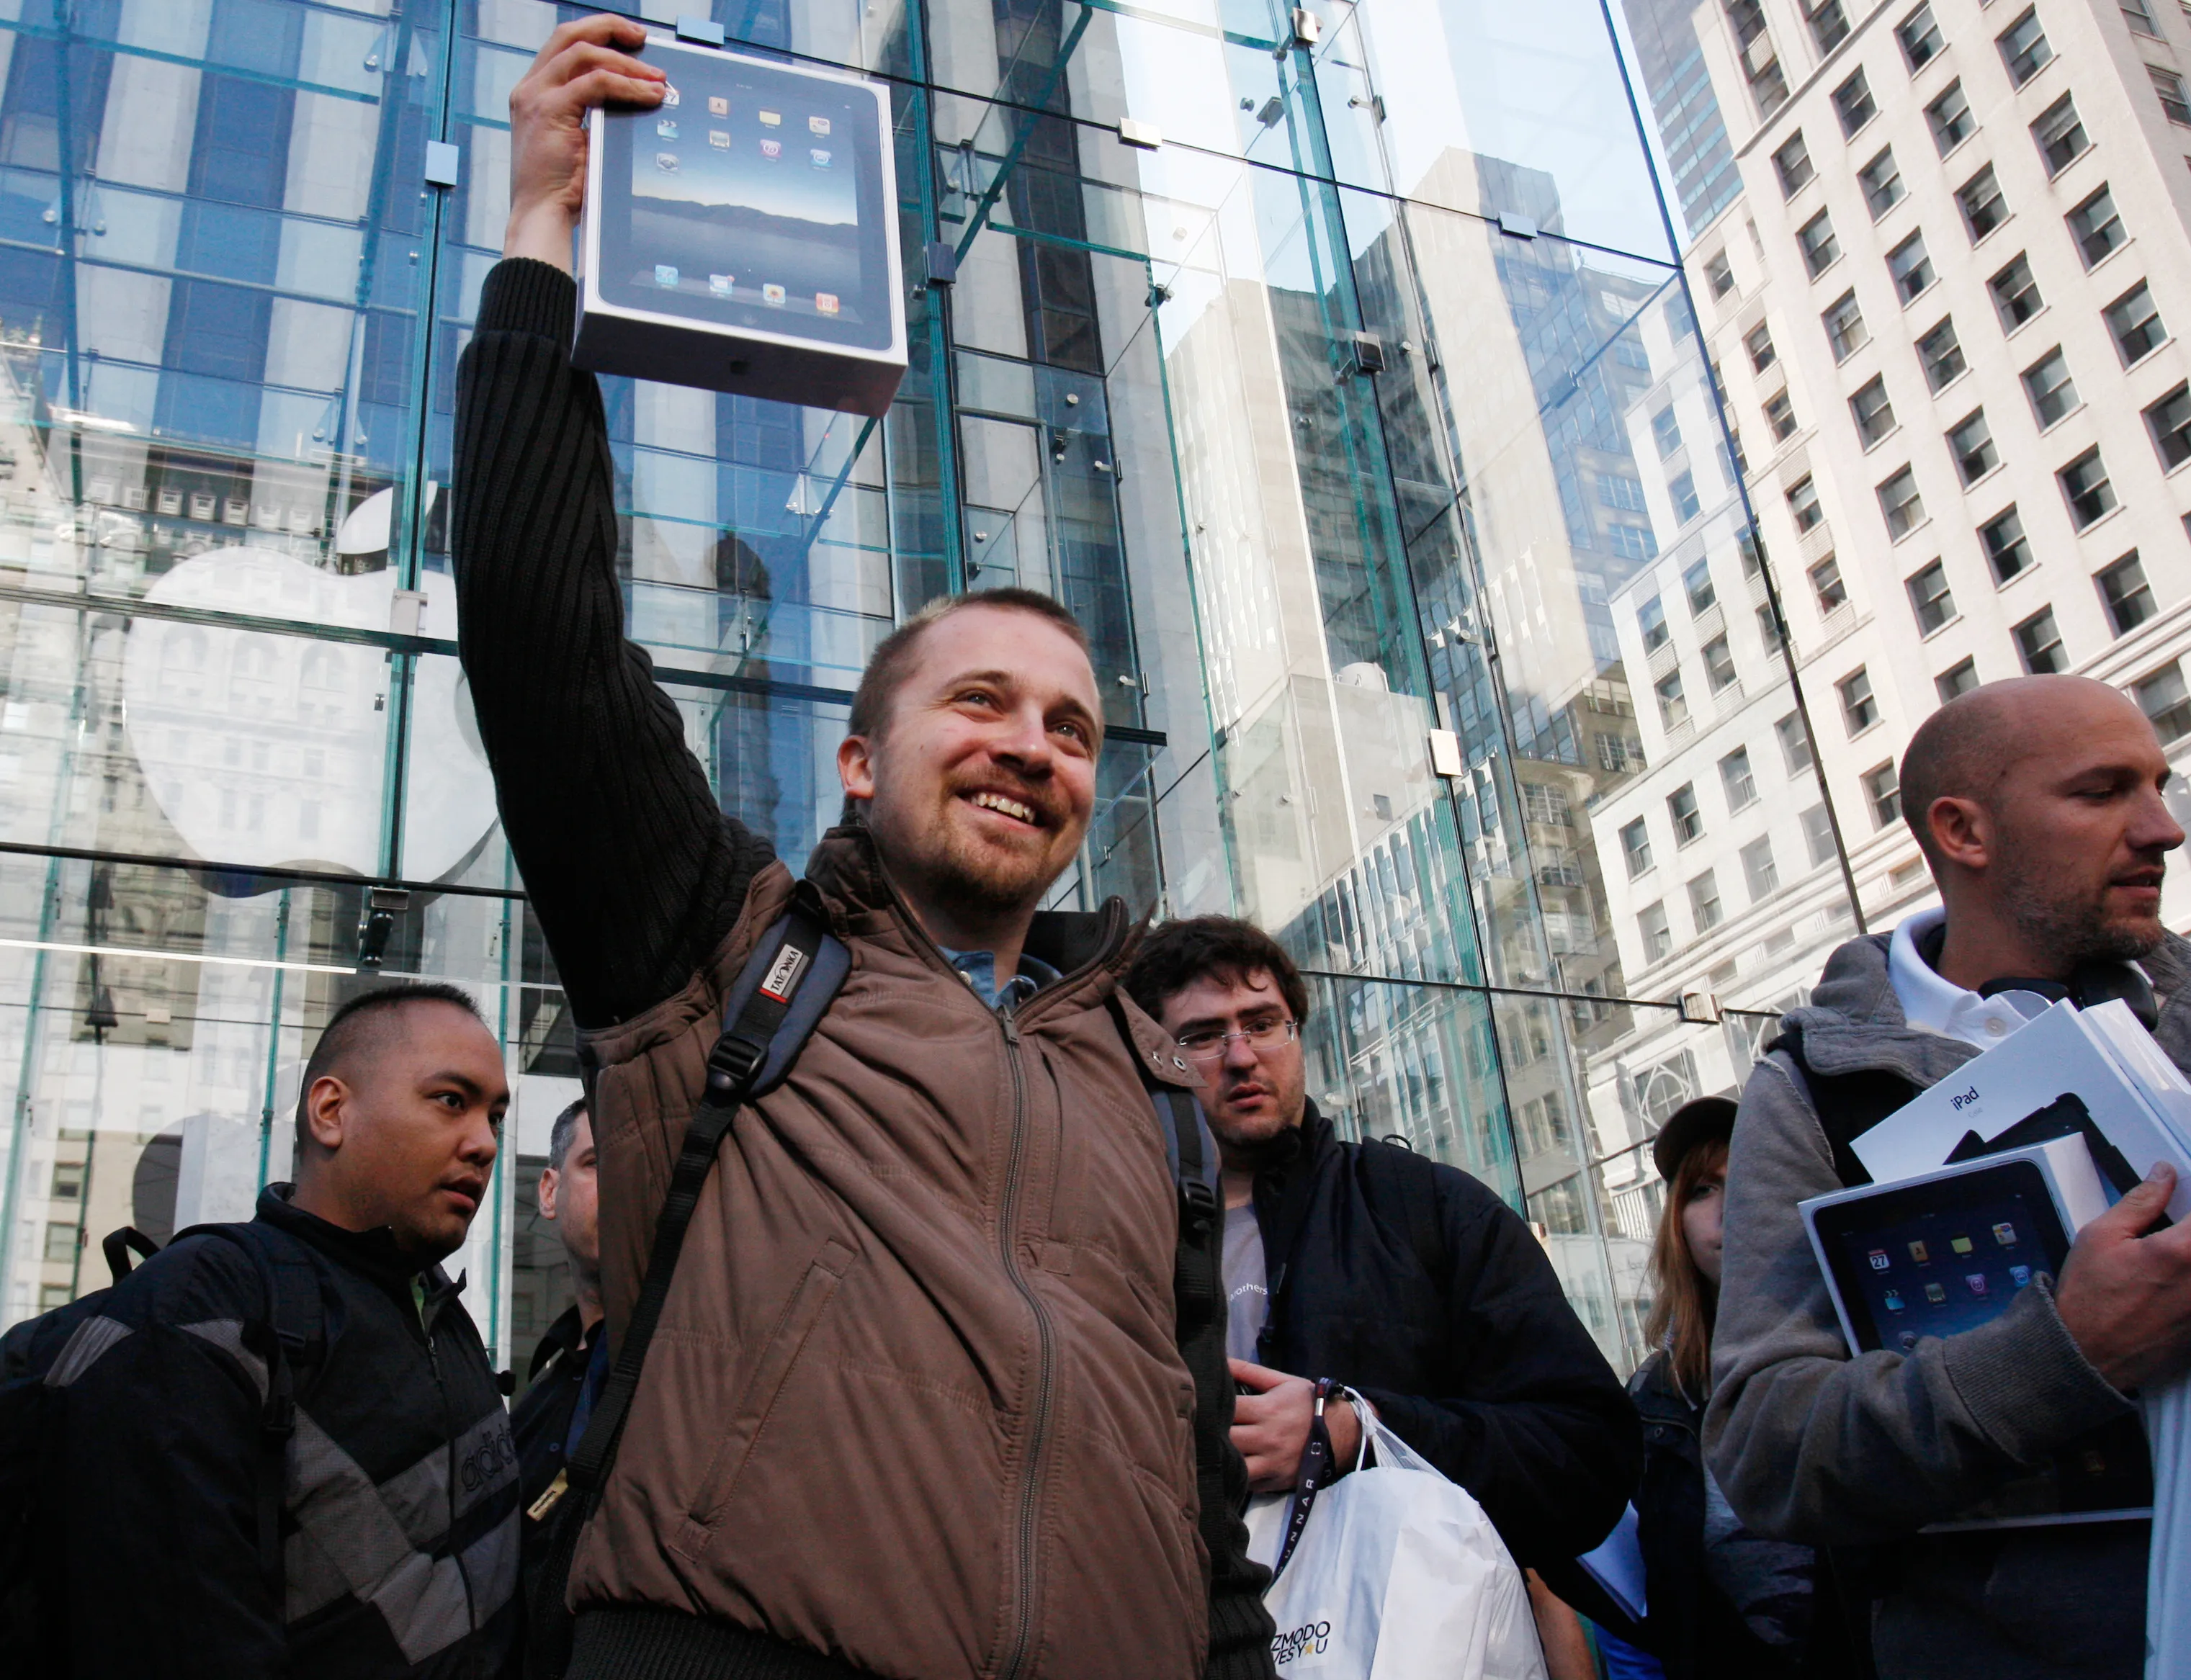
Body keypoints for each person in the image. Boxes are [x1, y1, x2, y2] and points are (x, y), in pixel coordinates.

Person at [452, 17, 1271, 1679]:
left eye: (1068, 728)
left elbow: (1197, 1489)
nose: (1030, 746)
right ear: (856, 759)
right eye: (980, 700)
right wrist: (541, 232)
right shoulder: (721, 943)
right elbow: (540, 626)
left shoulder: (1149, 1075)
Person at [1706, 675, 2191, 1679]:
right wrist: (2066, 1352)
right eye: (2103, 791)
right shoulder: (1818, 1092)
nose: (2163, 827)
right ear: (1963, 831)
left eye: (2160, 785)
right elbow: (1771, 1450)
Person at [1123, 916, 1639, 1579]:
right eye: (1201, 1036)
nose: (1242, 1054)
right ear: (1151, 1060)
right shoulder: (1104, 1239)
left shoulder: (1426, 1208)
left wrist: (1358, 1432)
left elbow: (1587, 1455)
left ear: (1297, 1035)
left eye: (1262, 1022)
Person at [38, 982, 519, 1677]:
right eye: (451, 1100)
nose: (484, 1144)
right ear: (331, 1111)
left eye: (495, 1117)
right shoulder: (201, 1306)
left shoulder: (445, 1317)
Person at [1614, 1096, 1826, 1679]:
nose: (1728, 1211)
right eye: (1703, 1189)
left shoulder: (1860, 1345)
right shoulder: (1655, 1395)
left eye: (1751, 1179)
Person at [513, 1099, 608, 1566]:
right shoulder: (528, 1415)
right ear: (549, 1192)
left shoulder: (709, 1372)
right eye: (597, 1162)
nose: (623, 1182)